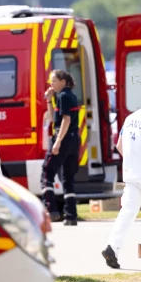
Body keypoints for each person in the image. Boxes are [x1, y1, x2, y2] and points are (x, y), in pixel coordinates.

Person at [102, 84, 141, 269]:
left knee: (126, 214)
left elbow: (119, 146)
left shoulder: (130, 118)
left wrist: (132, 160)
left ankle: (112, 247)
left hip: (131, 174)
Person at [40, 69, 81, 226]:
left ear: (63, 81)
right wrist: (49, 100)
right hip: (73, 140)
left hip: (63, 138)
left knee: (46, 174)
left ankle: (52, 211)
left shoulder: (63, 96)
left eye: (54, 81)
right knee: (67, 178)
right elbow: (53, 118)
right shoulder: (69, 95)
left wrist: (57, 143)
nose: (51, 84)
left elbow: (65, 120)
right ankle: (71, 216)